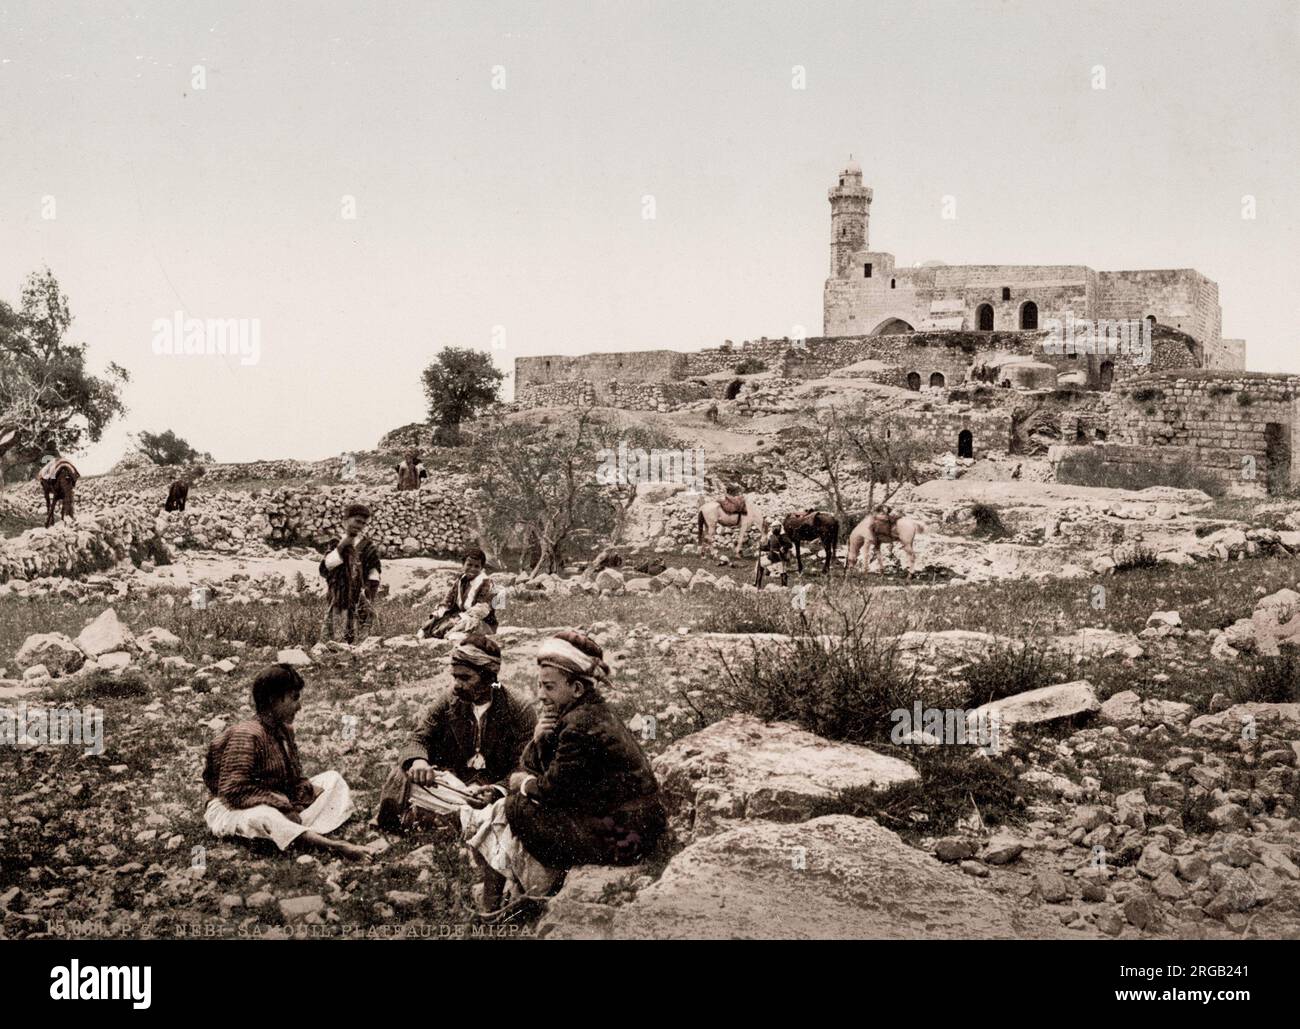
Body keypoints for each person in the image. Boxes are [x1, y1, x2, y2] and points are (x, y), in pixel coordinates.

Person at [461, 630, 666, 912]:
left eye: (549, 687)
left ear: (577, 689)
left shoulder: (578, 725)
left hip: (624, 837)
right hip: (633, 827)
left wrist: (522, 784)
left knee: (512, 806)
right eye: (540, 686)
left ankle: (501, 900)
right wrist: (538, 739)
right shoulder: (587, 712)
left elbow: (551, 790)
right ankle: (501, 896)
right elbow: (547, 771)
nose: (541, 696)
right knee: (511, 806)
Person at [202, 664, 372, 861]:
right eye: (294, 698)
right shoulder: (246, 734)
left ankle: (295, 835)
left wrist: (299, 796)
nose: (299, 706)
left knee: (333, 780)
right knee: (265, 817)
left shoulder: (285, 731)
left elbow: (294, 778)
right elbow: (232, 790)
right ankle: (334, 846)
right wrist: (281, 805)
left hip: (277, 804)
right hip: (233, 808)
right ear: (274, 700)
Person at [374, 635, 536, 832]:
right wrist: (419, 762)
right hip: (455, 785)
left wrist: (495, 791)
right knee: (402, 774)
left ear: (488, 677)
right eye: (455, 677)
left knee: (520, 802)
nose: (457, 684)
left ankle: (451, 818)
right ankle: (464, 820)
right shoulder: (449, 701)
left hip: (492, 792)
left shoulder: (519, 709)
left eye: (465, 678)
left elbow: (524, 765)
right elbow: (419, 738)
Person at [319, 503, 382, 643]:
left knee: (360, 629)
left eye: (363, 523)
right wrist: (342, 547)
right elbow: (326, 567)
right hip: (338, 595)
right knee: (335, 631)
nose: (359, 526)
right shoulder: (336, 542)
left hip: (359, 596)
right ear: (345, 520)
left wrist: (369, 592)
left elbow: (374, 571)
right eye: (357, 521)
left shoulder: (367, 546)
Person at [419, 546, 496, 640]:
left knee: (457, 629)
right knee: (434, 624)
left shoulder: (486, 583)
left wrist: (460, 618)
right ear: (463, 564)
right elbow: (448, 600)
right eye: (469, 565)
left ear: (481, 568)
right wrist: (439, 613)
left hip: (479, 620)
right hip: (460, 615)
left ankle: (461, 636)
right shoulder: (460, 580)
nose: (472, 569)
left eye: (477, 566)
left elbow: (482, 608)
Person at [756, 521, 792, 587]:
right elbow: (769, 547)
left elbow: (790, 544)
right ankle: (758, 585)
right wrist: (762, 547)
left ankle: (784, 588)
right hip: (771, 557)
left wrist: (784, 547)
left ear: (780, 527)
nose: (774, 528)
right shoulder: (772, 537)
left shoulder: (783, 536)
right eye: (773, 527)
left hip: (780, 558)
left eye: (776, 527)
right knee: (760, 564)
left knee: (783, 572)